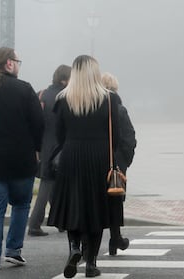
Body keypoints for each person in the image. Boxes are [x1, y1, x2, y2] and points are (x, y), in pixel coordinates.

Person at [47, 55, 120, 278]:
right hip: (99, 157)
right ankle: (91, 264)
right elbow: (115, 135)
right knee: (97, 209)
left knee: (73, 204)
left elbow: (59, 134)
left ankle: (75, 248)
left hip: (71, 155)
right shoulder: (109, 99)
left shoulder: (63, 99)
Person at [0, 47, 44, 271]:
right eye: (18, 61)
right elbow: (38, 124)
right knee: (21, 204)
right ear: (9, 64)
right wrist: (38, 150)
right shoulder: (24, 89)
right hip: (22, 159)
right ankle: (13, 251)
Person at [28, 65, 71, 236]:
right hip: (60, 146)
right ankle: (34, 224)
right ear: (64, 79)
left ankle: (61, 221)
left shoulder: (41, 94)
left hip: (43, 146)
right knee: (47, 185)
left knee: (51, 184)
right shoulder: (66, 96)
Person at [101, 72, 137, 256]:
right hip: (116, 163)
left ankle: (89, 245)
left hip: (97, 161)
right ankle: (115, 238)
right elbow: (130, 138)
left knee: (98, 201)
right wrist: (124, 162)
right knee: (115, 199)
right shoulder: (120, 109)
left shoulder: (92, 106)